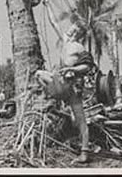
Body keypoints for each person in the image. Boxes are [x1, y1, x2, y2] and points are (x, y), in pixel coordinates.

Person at [35, 22, 93, 164]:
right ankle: (51, 98)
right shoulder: (65, 41)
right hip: (58, 82)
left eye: (77, 30)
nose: (74, 30)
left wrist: (73, 70)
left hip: (72, 85)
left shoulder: (79, 47)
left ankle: (85, 152)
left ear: (80, 34)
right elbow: (53, 21)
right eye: (73, 27)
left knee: (81, 120)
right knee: (39, 74)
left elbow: (88, 66)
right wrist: (47, 2)